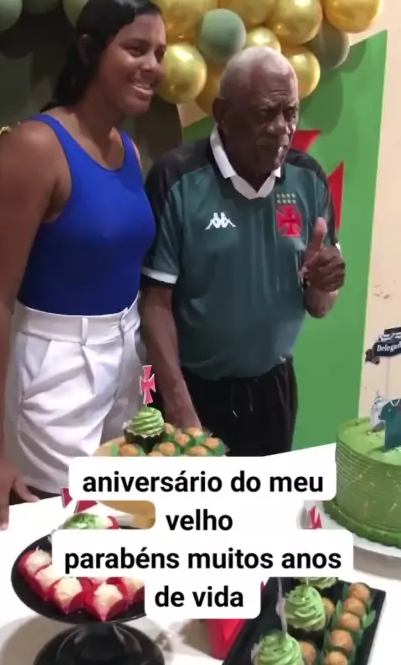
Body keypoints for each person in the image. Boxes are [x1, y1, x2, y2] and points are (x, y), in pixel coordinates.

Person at [0, 0, 166, 534]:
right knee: (59, 530)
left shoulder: (126, 147)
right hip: (55, 367)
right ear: (90, 50)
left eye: (160, 53)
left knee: (116, 524)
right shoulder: (36, 147)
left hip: (126, 355)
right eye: (136, 48)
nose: (153, 66)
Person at [140, 46, 346, 456]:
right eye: (264, 113)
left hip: (273, 391)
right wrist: (179, 407)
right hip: (192, 392)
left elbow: (320, 307)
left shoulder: (308, 179)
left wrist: (324, 284)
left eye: (290, 112)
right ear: (223, 114)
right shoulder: (177, 178)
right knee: (193, 500)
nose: (282, 128)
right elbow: (154, 302)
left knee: (266, 498)